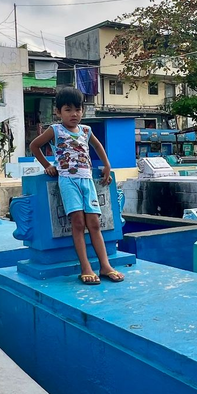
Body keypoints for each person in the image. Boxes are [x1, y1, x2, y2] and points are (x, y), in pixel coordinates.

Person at [29, 87, 124, 285]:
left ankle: (105, 265)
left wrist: (106, 165)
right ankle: (86, 267)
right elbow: (34, 146)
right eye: (68, 109)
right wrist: (47, 165)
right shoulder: (55, 130)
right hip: (68, 181)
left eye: (78, 109)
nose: (74, 114)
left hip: (87, 180)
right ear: (58, 112)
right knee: (78, 223)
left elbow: (97, 146)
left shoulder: (86, 130)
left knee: (95, 223)